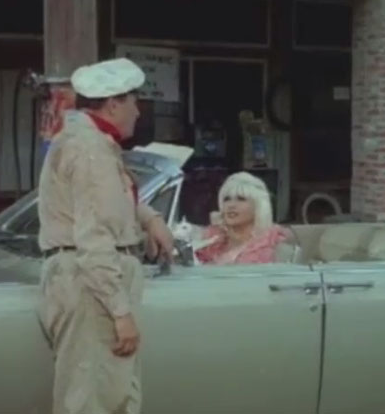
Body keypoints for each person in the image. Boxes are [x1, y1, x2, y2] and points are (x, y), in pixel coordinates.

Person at [37, 58, 174, 414]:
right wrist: (120, 311)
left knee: (109, 396)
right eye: (133, 101)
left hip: (86, 281)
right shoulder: (90, 149)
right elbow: (95, 236)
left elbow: (109, 202)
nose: (138, 112)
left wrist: (150, 218)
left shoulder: (89, 142)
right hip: (92, 287)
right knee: (93, 401)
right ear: (114, 103)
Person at [194, 171, 290, 264]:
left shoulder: (272, 241)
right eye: (227, 199)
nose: (231, 205)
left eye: (241, 199)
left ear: (258, 206)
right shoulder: (211, 240)